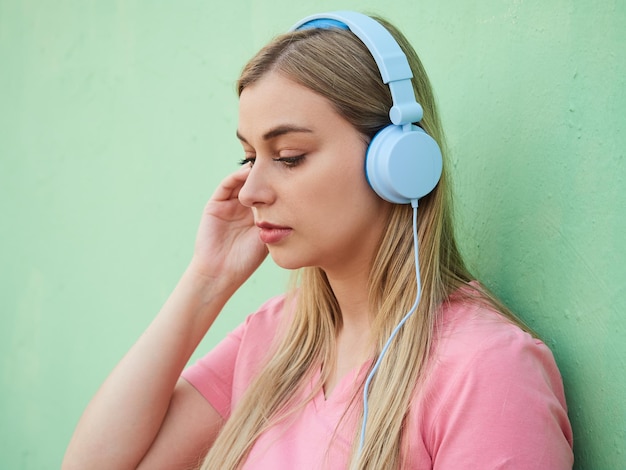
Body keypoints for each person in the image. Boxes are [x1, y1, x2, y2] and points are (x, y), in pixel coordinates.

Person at [63, 11, 574, 470]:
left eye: (288, 156)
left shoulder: (487, 369)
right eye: (249, 158)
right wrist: (207, 279)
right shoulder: (273, 339)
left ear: (399, 163)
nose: (253, 191)